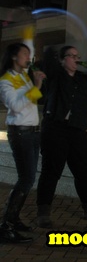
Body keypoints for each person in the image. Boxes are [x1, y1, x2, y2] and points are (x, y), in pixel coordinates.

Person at [36, 45, 87, 228]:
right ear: (62, 60)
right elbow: (46, 61)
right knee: (51, 171)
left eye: (78, 56)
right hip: (55, 129)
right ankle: (43, 212)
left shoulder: (83, 78)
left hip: (77, 130)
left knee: (84, 171)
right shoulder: (55, 75)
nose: (76, 59)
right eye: (71, 56)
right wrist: (50, 51)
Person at [0, 43, 46, 243]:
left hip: (33, 134)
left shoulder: (23, 77)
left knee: (28, 178)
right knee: (25, 179)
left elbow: (32, 101)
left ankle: (14, 219)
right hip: (20, 134)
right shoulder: (6, 80)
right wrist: (36, 87)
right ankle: (6, 225)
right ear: (14, 57)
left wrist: (36, 83)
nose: (28, 57)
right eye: (25, 53)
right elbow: (17, 107)